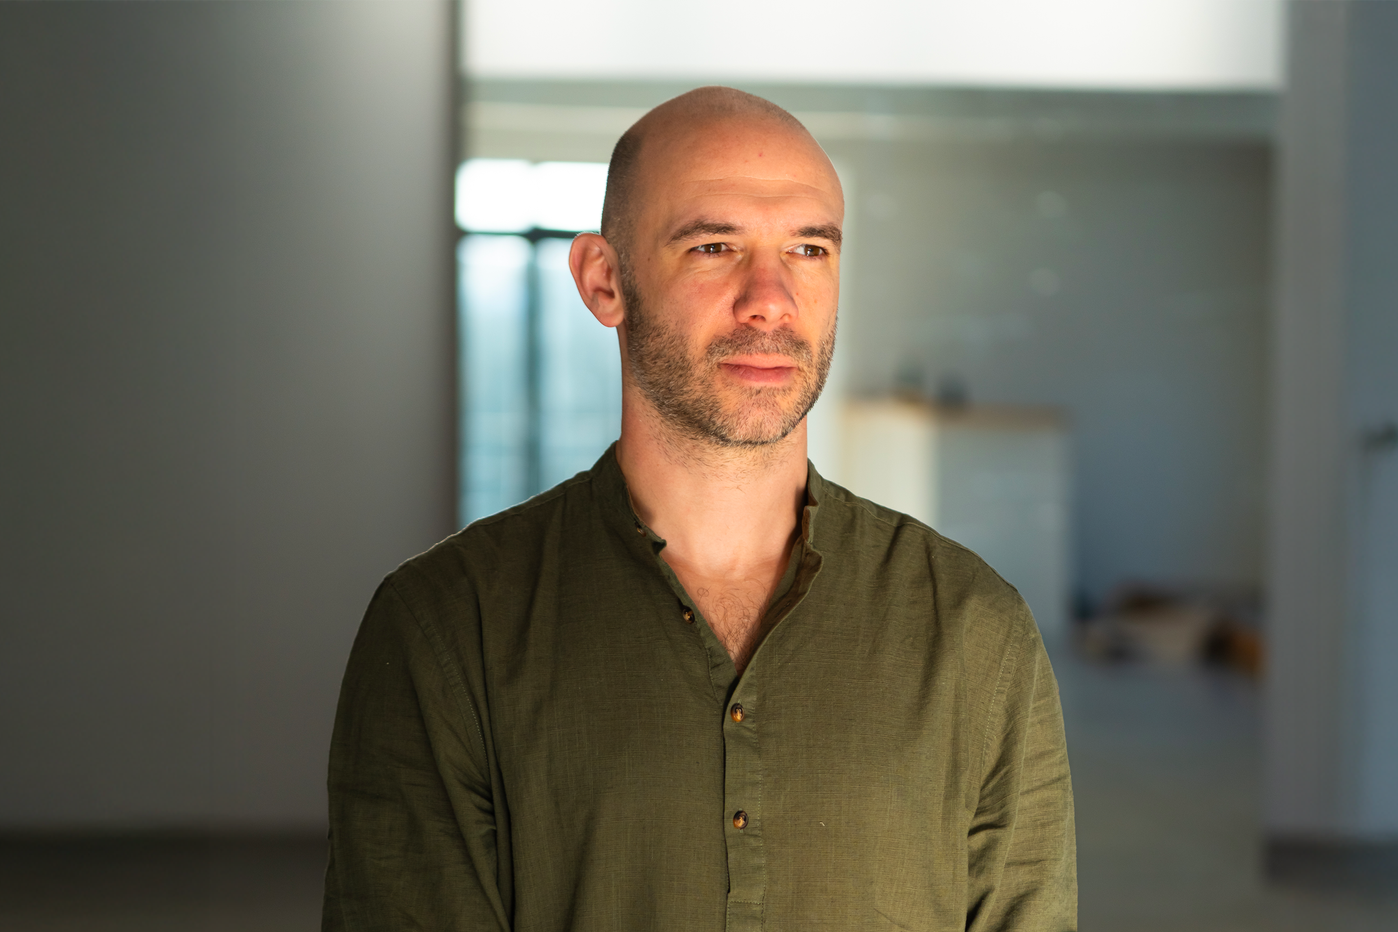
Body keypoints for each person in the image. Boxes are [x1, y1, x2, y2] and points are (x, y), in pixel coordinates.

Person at [323, 86, 1076, 932]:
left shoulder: (976, 632)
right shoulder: (447, 629)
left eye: (808, 250)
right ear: (604, 281)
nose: (771, 299)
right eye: (715, 246)